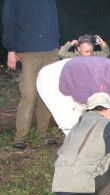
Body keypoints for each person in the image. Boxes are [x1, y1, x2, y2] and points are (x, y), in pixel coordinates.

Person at [2, 0, 60, 150]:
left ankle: (43, 132)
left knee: (47, 93)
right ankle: (20, 136)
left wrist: (56, 41)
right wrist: (11, 49)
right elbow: (9, 21)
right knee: (28, 94)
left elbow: (52, 18)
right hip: (27, 50)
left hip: (50, 49)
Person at [37, 56, 110, 136]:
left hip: (70, 74)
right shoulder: (108, 82)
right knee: (71, 125)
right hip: (51, 80)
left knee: (83, 119)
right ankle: (76, 156)